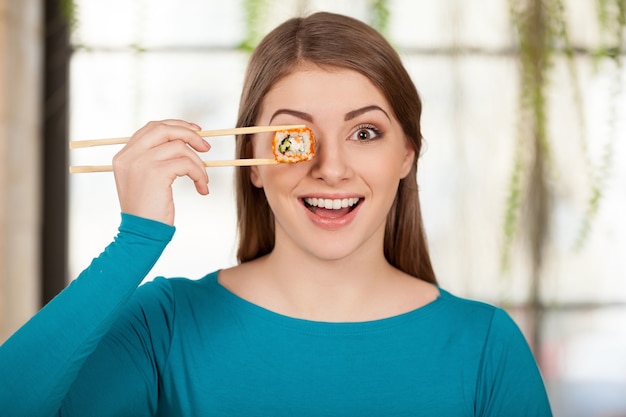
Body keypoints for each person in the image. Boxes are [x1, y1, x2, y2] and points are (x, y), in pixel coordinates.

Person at [0, 11, 552, 416]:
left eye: (365, 132)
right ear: (253, 164)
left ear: (406, 154)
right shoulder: (163, 325)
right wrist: (135, 240)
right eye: (294, 137)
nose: (331, 169)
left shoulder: (486, 346)